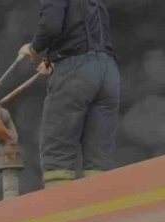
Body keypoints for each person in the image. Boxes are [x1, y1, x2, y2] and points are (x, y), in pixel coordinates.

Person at [19, 0, 120, 188]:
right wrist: (51, 60)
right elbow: (84, 34)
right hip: (108, 72)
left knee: (58, 152)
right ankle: (99, 201)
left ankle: (60, 203)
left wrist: (34, 47)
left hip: (75, 71)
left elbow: (51, 26)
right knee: (99, 157)